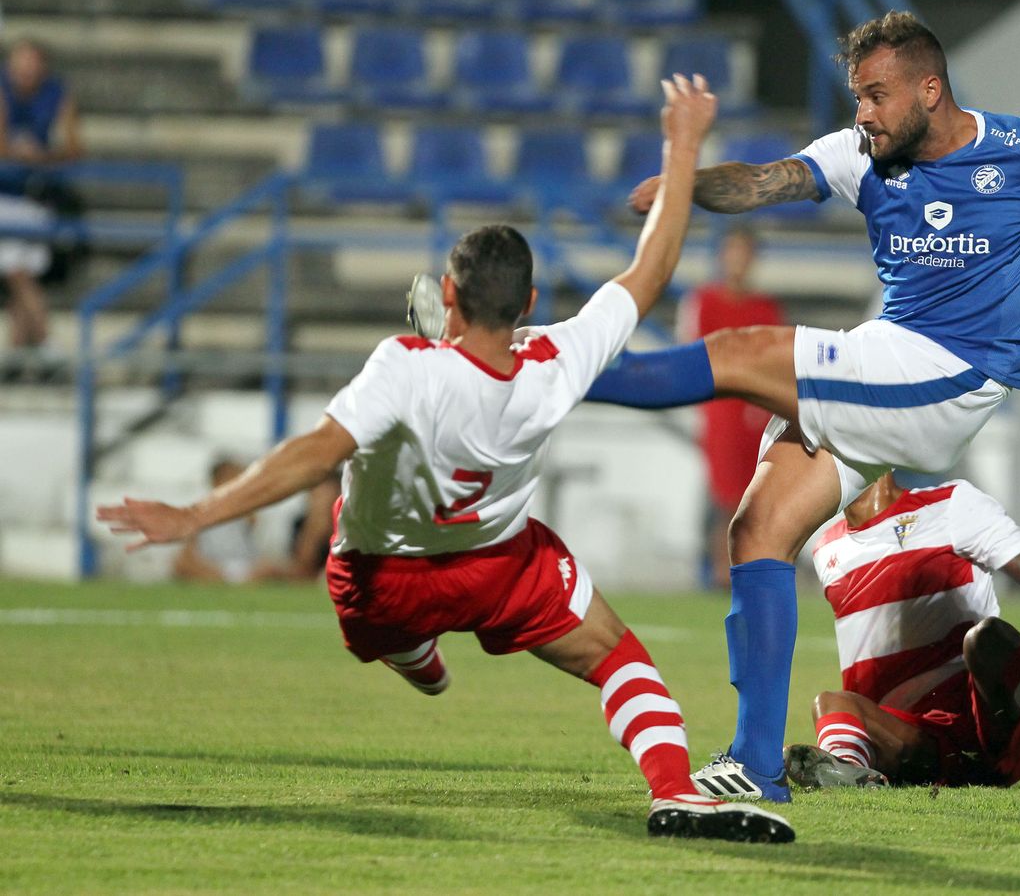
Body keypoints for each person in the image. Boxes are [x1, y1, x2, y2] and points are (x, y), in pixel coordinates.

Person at [98, 75, 795, 844]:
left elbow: (315, 452)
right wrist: (684, 144)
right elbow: (648, 272)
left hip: (380, 579)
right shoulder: (559, 360)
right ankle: (674, 792)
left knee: (399, 631)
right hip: (497, 568)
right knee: (616, 655)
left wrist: (195, 515)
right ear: (529, 303)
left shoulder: (405, 365)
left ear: (449, 294)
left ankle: (412, 652)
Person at [580, 9, 1020, 801]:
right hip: (891, 357)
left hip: (953, 372)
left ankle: (542, 363)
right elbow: (764, 180)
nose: (864, 113)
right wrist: (687, 184)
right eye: (857, 96)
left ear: (930, 89)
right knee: (759, 530)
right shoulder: (861, 154)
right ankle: (757, 766)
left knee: (739, 353)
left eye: (877, 95)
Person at [775, 472, 1020, 798]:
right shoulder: (825, 547)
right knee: (829, 702)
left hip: (992, 726)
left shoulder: (951, 505)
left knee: (987, 638)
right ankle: (850, 772)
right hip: (917, 746)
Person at [676, 226, 784, 588]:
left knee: (754, 491)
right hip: (720, 406)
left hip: (756, 408)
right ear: (722, 256)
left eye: (745, 251)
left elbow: (776, 358)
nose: (738, 259)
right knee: (723, 492)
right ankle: (720, 569)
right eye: (733, 251)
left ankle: (748, 566)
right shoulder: (703, 301)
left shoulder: (765, 307)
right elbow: (691, 351)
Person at [0, 39, 83, 356]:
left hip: (35, 196)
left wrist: (41, 157)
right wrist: (22, 154)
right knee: (17, 272)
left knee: (22, 273)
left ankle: (17, 352)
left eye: (32, 63)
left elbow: (74, 148)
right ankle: (47, 342)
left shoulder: (57, 92)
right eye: (19, 63)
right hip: (4, 195)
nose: (25, 70)